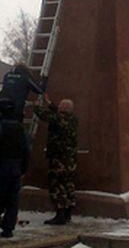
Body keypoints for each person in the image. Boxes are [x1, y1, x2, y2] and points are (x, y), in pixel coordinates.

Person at [0, 98, 30, 238]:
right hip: (15, 166)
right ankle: (8, 229)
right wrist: (24, 168)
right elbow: (26, 149)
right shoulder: (20, 127)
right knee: (12, 200)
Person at [34, 93, 78, 225]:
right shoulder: (73, 119)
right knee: (69, 185)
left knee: (57, 186)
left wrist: (37, 106)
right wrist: (50, 103)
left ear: (63, 108)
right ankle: (68, 213)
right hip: (70, 160)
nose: (58, 106)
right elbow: (57, 114)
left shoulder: (58, 118)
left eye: (60, 105)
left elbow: (44, 115)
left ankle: (60, 214)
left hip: (58, 159)